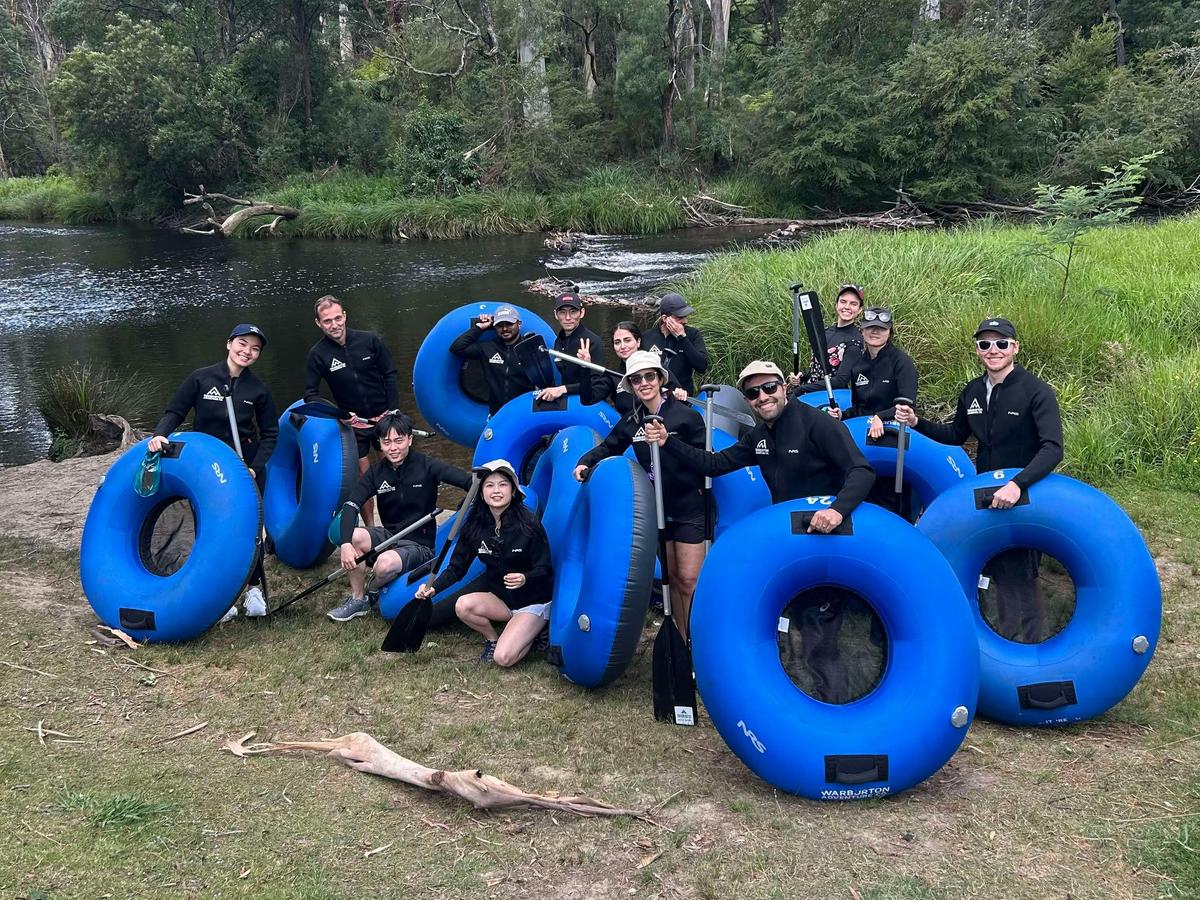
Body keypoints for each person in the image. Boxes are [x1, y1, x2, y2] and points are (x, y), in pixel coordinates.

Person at [644, 360, 876, 703]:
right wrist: (667, 442)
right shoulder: (760, 435)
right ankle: (800, 690)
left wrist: (836, 511)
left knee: (820, 627)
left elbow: (862, 471)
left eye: (769, 388)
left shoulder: (818, 425)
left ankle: (833, 708)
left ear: (784, 387)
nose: (763, 397)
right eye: (753, 393)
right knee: (796, 615)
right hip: (790, 539)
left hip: (828, 538)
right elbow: (715, 464)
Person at [894, 317, 1064, 642]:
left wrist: (1018, 484)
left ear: (1015, 347)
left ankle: (1031, 648)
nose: (993, 350)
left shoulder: (1035, 392)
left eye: (1001, 343)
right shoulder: (972, 391)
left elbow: (1052, 448)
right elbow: (956, 434)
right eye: (985, 344)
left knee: (1021, 575)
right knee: (996, 569)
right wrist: (917, 421)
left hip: (1023, 494)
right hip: (986, 493)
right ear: (977, 350)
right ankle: (1002, 640)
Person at [573, 350, 706, 640]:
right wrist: (585, 461)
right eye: (636, 379)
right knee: (671, 580)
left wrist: (667, 443)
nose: (644, 383)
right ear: (631, 385)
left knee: (689, 580)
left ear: (660, 379)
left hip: (689, 507)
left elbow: (702, 461)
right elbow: (609, 447)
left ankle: (702, 645)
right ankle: (682, 642)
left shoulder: (686, 417)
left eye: (649, 376)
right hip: (658, 508)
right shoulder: (632, 420)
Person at [148, 324, 278, 620]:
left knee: (250, 529)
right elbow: (175, 412)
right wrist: (160, 434)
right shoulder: (201, 379)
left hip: (245, 469)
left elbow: (271, 433)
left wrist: (255, 468)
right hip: (208, 469)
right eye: (242, 344)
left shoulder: (256, 389)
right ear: (229, 343)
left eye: (255, 348)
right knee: (211, 527)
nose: (247, 351)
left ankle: (254, 591)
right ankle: (221, 596)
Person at [327, 411, 471, 623]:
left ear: (410, 440)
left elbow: (468, 482)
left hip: (419, 545)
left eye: (398, 441)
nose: (393, 448)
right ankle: (358, 600)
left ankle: (372, 588)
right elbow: (351, 505)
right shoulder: (376, 472)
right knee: (354, 536)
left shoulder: (428, 466)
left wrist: (466, 503)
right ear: (380, 444)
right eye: (386, 442)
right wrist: (346, 543)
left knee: (383, 565)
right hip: (390, 537)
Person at [414, 459, 553, 665]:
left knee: (503, 659)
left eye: (503, 484)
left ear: (513, 491)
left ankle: (537, 630)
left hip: (532, 602)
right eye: (489, 485)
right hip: (502, 600)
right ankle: (492, 639)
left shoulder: (529, 524)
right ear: (481, 492)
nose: (496, 491)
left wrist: (525, 578)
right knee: (463, 605)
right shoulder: (474, 526)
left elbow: (545, 569)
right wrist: (432, 588)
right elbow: (456, 569)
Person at [304, 295, 400, 525]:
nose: (334, 325)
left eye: (338, 318)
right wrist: (340, 416)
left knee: (394, 473)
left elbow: (390, 374)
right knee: (363, 480)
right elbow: (310, 395)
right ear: (318, 323)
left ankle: (396, 525)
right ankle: (370, 529)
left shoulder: (369, 340)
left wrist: (394, 411)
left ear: (345, 316)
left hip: (384, 418)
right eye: (327, 321)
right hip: (353, 426)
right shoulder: (317, 354)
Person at [828, 306, 919, 517]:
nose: (875, 332)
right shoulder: (858, 365)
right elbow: (859, 407)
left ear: (890, 331)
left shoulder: (901, 362)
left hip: (892, 438)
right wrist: (843, 415)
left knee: (891, 499)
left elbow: (907, 404)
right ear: (861, 331)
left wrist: (881, 417)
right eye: (870, 328)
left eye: (881, 328)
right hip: (864, 439)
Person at [578, 320, 686, 415]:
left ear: (638, 342)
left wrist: (680, 394)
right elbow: (588, 400)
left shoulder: (655, 367)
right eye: (617, 342)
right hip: (631, 429)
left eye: (627, 340)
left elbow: (680, 397)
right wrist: (584, 367)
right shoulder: (612, 376)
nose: (623, 346)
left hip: (662, 425)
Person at [449, 305, 540, 415]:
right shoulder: (487, 348)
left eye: (509, 324)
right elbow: (457, 348)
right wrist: (480, 327)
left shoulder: (529, 348)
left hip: (523, 412)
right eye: (500, 325)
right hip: (497, 414)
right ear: (494, 327)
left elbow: (546, 383)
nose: (505, 328)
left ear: (519, 324)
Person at [791, 283, 865, 393]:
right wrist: (801, 378)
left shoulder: (855, 342)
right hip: (810, 391)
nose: (847, 307)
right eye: (843, 301)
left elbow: (840, 381)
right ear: (836, 304)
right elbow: (817, 370)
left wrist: (802, 389)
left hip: (831, 397)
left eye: (853, 304)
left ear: (859, 310)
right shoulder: (824, 332)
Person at [537, 291, 606, 403]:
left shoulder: (592, 342)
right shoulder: (559, 341)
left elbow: (598, 384)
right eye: (562, 312)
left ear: (582, 312)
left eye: (573, 312)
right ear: (556, 314)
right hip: (568, 401)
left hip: (589, 403)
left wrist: (563, 389)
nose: (568, 318)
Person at [641, 292, 709, 395]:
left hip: (682, 398)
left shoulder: (692, 334)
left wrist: (682, 338)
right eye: (679, 317)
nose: (685, 321)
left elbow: (702, 366)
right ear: (665, 319)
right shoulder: (647, 337)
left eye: (685, 316)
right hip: (654, 398)